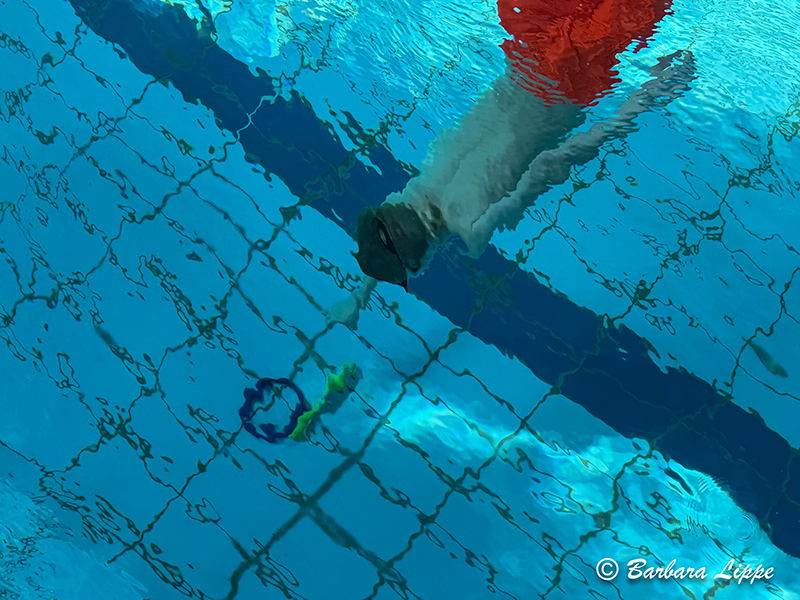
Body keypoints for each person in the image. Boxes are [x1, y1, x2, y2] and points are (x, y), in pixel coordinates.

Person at [325, 0, 694, 328]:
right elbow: (385, 234)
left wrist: (650, 95)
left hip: (562, 74)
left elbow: (560, 159)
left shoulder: (463, 220)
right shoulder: (427, 193)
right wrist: (359, 296)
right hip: (537, 58)